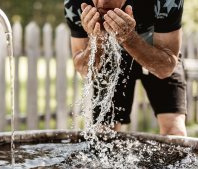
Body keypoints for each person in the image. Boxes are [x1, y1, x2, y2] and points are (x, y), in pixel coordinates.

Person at [64, 0, 187, 136]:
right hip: (110, 54)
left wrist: (128, 38)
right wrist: (97, 40)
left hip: (156, 51)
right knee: (104, 134)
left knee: (174, 130)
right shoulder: (75, 3)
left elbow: (165, 69)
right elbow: (85, 71)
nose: (103, 2)